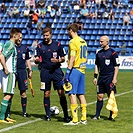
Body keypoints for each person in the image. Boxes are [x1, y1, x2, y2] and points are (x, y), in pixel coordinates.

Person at [34, 27, 71, 122]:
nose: (45, 37)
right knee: (46, 93)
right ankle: (47, 115)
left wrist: (58, 60)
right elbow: (36, 58)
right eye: (44, 35)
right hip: (45, 72)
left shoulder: (57, 45)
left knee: (61, 93)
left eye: (47, 35)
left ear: (51, 35)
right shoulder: (39, 46)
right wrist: (37, 60)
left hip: (56, 71)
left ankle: (66, 115)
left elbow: (63, 58)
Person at [63, 23, 88, 126]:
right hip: (82, 70)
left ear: (71, 31)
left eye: (68, 31)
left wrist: (68, 72)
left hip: (75, 69)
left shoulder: (72, 42)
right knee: (80, 94)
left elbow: (72, 58)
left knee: (71, 93)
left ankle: (75, 120)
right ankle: (84, 118)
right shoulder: (83, 41)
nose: (67, 33)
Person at [92, 35, 120, 120]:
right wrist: (95, 77)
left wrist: (114, 78)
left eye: (102, 41)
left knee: (110, 96)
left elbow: (116, 66)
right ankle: (97, 115)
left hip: (110, 77)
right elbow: (97, 65)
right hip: (101, 77)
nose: (100, 43)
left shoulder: (113, 53)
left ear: (107, 42)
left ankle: (111, 115)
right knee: (99, 96)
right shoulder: (99, 53)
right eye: (100, 41)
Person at [0, 28, 21, 123]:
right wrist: (5, 68)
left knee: (10, 95)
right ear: (14, 35)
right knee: (8, 95)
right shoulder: (10, 44)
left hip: (12, 73)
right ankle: (1, 117)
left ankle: (6, 116)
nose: (20, 37)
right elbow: (1, 56)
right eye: (19, 35)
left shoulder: (12, 45)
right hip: (9, 73)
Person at [8, 33, 32, 117]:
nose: (20, 39)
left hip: (22, 72)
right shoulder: (11, 47)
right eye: (19, 37)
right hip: (13, 71)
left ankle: (24, 112)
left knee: (23, 93)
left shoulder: (25, 48)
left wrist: (30, 70)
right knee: (10, 92)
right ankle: (7, 112)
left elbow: (27, 60)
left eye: (21, 38)